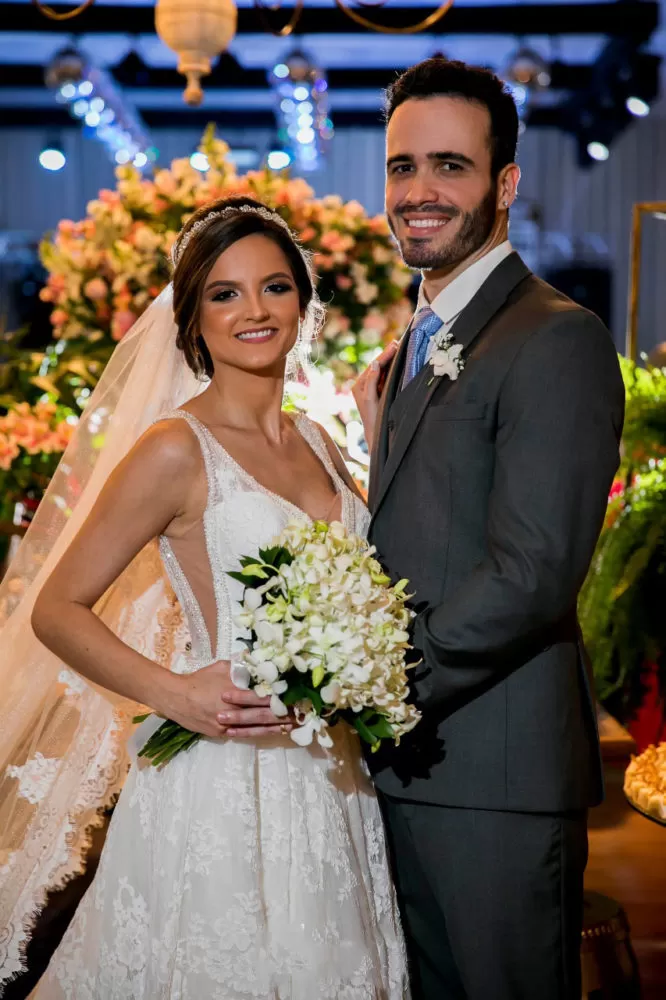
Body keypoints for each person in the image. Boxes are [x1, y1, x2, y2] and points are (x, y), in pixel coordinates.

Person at [0, 197, 409, 999]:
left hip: (331, 780)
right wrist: (177, 693)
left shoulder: (321, 443)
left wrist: (380, 434)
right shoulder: (173, 449)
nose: (253, 310)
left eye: (274, 287)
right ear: (191, 319)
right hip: (222, 783)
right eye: (224, 293)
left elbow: (368, 579)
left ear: (304, 301)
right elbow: (57, 608)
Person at [353, 59, 625, 1000]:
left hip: (496, 777)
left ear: (505, 184)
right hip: (405, 769)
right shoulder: (418, 339)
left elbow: (533, 568)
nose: (418, 193)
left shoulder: (556, 336)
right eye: (399, 168)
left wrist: (374, 681)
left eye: (449, 167)